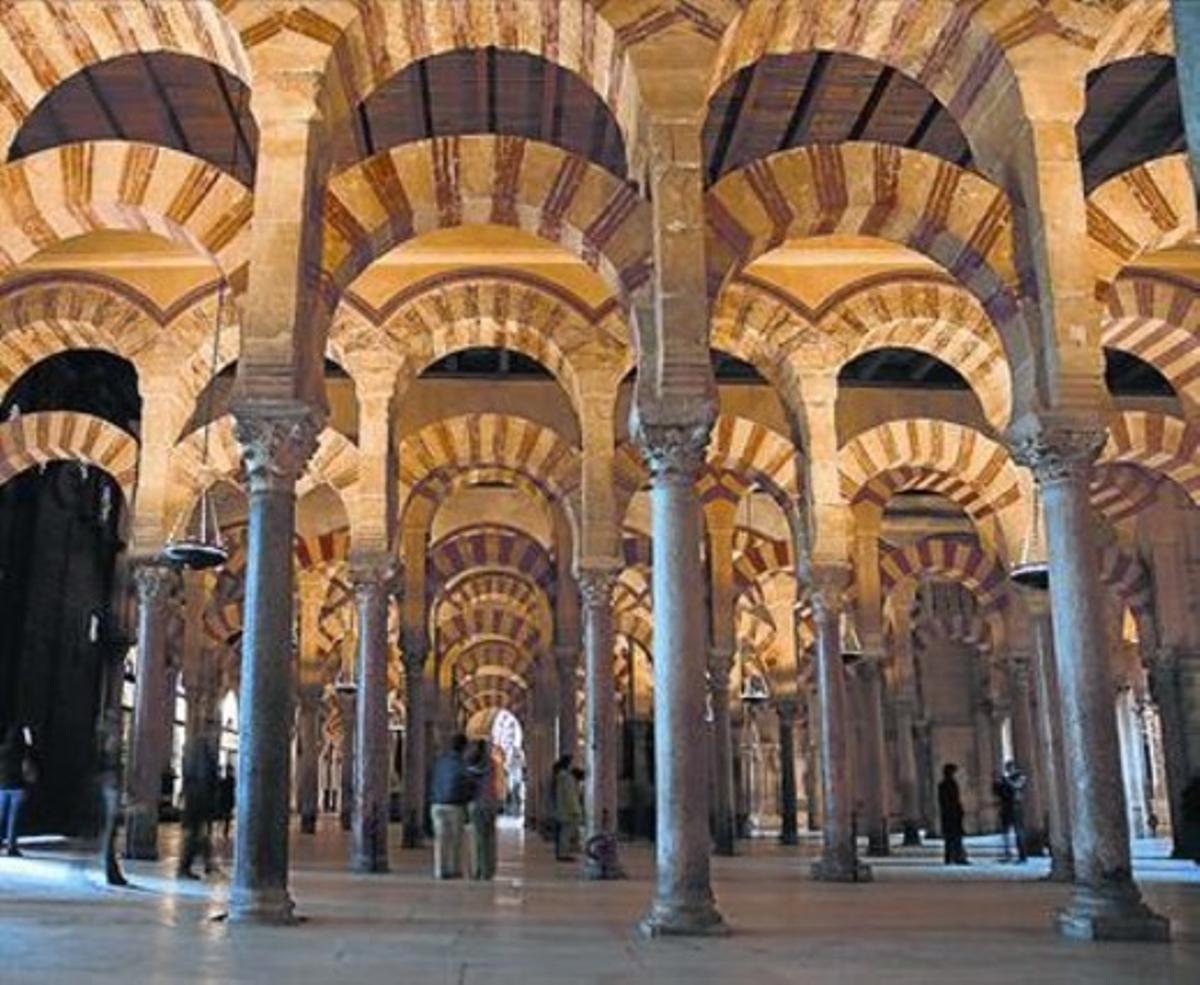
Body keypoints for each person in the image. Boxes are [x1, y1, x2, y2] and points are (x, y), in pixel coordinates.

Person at [429, 733, 474, 879]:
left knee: (440, 839)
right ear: (464, 748)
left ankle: (440, 870)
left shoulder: (441, 761)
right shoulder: (462, 764)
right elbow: (467, 784)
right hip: (454, 806)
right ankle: (454, 869)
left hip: (437, 804)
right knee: (455, 840)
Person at [178, 732, 219, 879]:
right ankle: (186, 867)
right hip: (199, 800)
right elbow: (206, 778)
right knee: (197, 834)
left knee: (198, 834)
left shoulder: (192, 757)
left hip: (194, 799)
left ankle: (206, 863)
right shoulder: (204, 756)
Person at [95, 708, 127, 886]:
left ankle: (112, 869)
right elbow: (111, 766)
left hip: (110, 787)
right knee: (110, 830)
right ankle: (111, 871)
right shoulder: (110, 740)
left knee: (110, 830)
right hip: (110, 788)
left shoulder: (104, 739)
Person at [466, 740, 502, 880]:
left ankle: (477, 870)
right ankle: (489, 870)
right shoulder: (492, 764)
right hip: (490, 803)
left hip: (476, 803)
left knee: (477, 839)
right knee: (490, 838)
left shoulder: (471, 763)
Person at [0, 724, 33, 857]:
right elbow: (31, 756)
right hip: (18, 787)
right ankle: (11, 846)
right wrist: (28, 738)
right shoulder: (24, 752)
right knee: (14, 819)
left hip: (2, 786)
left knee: (1, 816)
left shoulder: (2, 750)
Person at [995, 761, 1027, 863]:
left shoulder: (1020, 776)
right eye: (1007, 768)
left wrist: (1006, 781)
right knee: (1005, 832)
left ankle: (1022, 855)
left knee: (1018, 832)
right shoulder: (1005, 779)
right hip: (1006, 807)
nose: (1008, 770)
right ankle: (1008, 854)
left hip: (1015, 807)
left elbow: (1017, 786)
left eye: (1009, 767)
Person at [938, 762, 968, 866]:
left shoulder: (942, 785)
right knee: (956, 837)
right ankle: (958, 857)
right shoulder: (951, 784)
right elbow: (954, 800)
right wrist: (959, 811)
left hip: (947, 815)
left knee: (949, 838)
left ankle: (949, 857)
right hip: (953, 814)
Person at [554, 758, 583, 861]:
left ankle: (563, 852)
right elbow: (570, 797)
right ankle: (563, 854)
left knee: (563, 833)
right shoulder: (567, 779)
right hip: (568, 812)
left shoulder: (561, 778)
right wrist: (575, 810)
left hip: (562, 810)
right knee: (566, 834)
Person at [216, 764, 235, 842]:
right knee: (226, 817)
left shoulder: (227, 780)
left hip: (226, 800)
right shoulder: (231, 780)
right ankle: (223, 832)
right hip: (227, 800)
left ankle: (223, 832)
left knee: (225, 817)